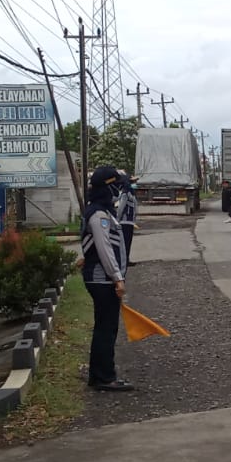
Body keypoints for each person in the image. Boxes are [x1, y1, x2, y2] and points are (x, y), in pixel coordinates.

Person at [81, 165, 133, 391]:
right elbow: (105, 249)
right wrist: (117, 278)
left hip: (102, 278)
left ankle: (99, 375)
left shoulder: (101, 211)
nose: (118, 191)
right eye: (115, 186)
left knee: (105, 327)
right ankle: (104, 377)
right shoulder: (99, 215)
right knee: (106, 328)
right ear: (107, 188)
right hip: (102, 279)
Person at [115, 171, 139, 266]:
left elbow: (121, 208)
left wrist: (117, 220)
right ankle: (125, 260)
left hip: (126, 222)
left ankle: (125, 260)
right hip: (127, 222)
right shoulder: (129, 194)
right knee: (126, 243)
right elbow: (122, 208)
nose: (134, 184)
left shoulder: (127, 193)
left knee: (125, 243)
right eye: (132, 182)